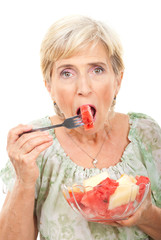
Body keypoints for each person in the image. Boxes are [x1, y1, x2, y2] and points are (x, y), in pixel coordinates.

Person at [0, 15, 161, 240]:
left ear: (118, 80)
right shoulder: (36, 147)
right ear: (49, 87)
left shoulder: (146, 134)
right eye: (67, 73)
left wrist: (146, 215)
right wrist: (24, 181)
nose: (84, 88)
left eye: (97, 70)